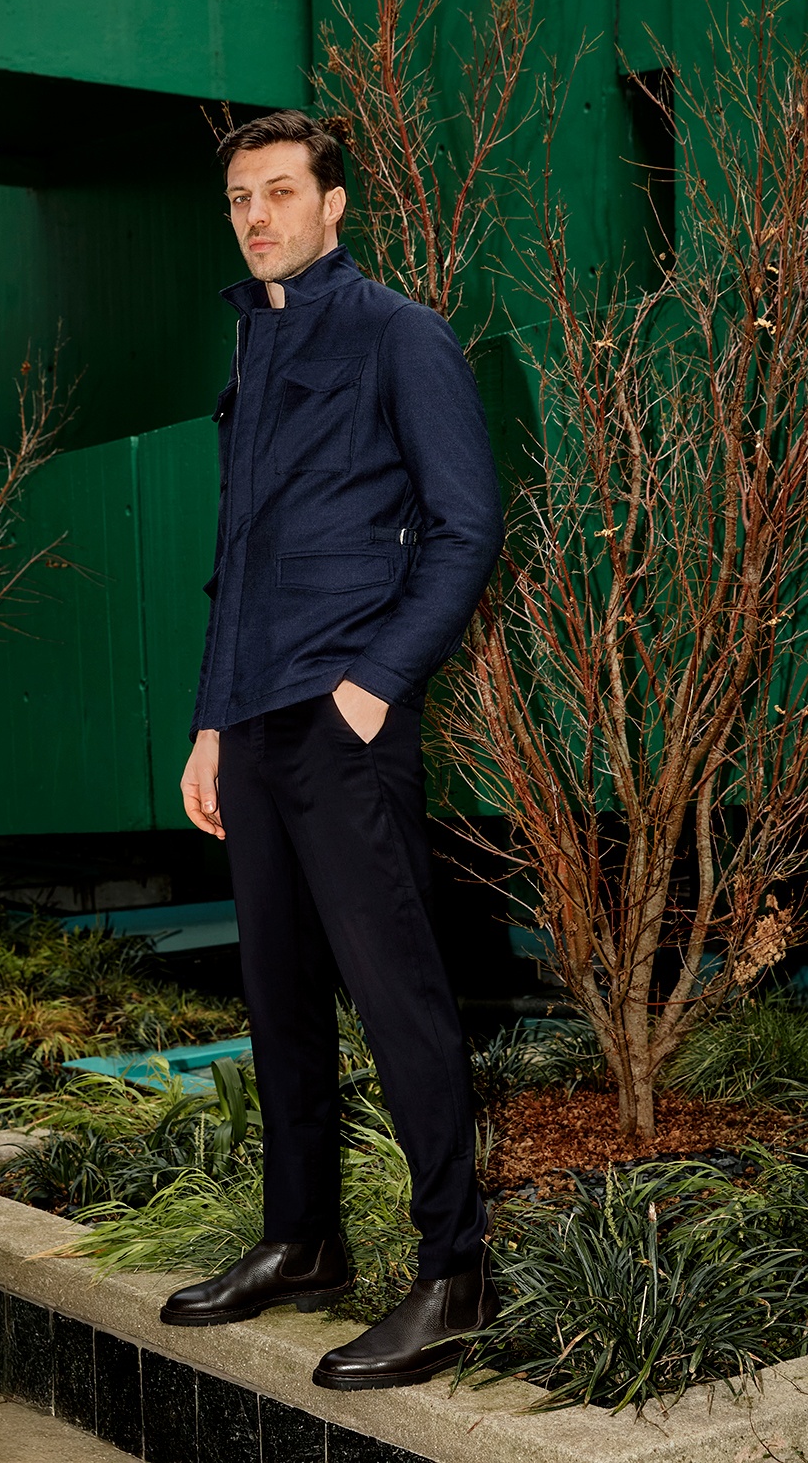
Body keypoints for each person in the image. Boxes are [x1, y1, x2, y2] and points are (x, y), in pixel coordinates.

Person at [160, 109, 504, 1391]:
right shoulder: (253, 342)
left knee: (396, 993)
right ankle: (300, 1238)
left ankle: (454, 1271)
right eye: (238, 198)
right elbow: (237, 558)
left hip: (341, 715)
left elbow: (466, 528)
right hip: (252, 720)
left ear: (333, 202)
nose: (256, 216)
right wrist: (210, 722)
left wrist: (372, 686)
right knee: (278, 993)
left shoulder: (397, 334)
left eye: (279, 192)